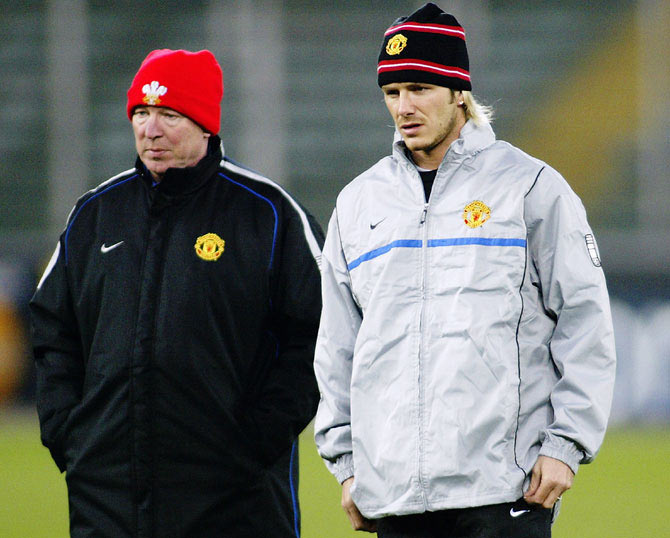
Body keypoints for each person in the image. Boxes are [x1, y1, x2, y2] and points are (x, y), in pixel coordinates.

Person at [313, 4, 616, 537]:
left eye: (420, 88)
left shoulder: (530, 188)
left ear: (459, 92)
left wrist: (566, 444)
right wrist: (348, 464)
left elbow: (585, 321)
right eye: (392, 93)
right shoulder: (358, 203)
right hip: (394, 496)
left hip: (506, 490)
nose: (404, 107)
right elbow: (339, 344)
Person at [30, 48, 324, 537]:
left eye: (169, 114)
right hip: (107, 502)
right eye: (141, 114)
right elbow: (51, 331)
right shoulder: (94, 214)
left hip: (235, 504)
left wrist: (257, 440)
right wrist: (70, 435)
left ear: (206, 123)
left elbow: (319, 335)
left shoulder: (269, 215)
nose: (150, 129)